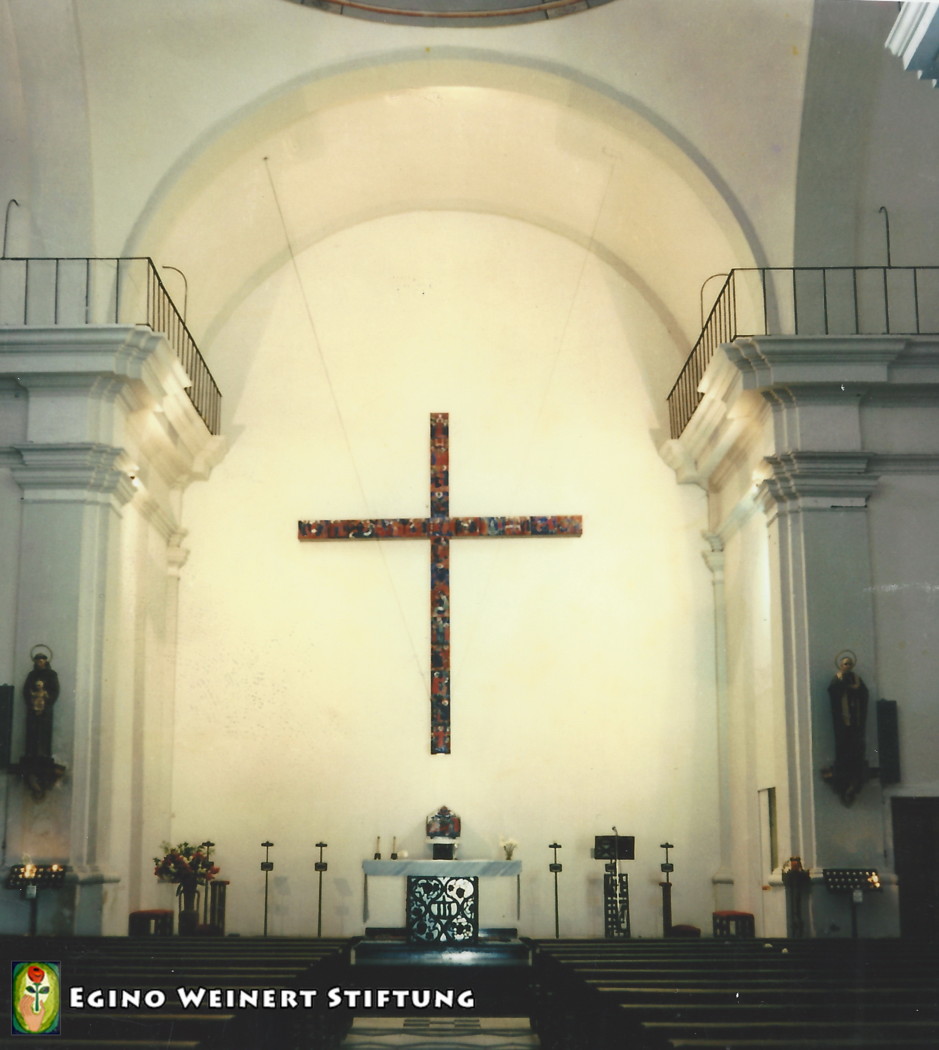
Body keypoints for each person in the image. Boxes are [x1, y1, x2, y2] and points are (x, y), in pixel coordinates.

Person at [827, 650, 869, 804]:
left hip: (855, 718)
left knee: (856, 745)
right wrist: (845, 687)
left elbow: (864, 693)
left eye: (850, 664)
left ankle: (855, 772)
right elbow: (833, 692)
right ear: (841, 665)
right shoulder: (837, 678)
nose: (848, 666)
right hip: (842, 720)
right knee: (843, 745)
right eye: (845, 664)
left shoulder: (856, 679)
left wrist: (857, 690)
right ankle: (844, 775)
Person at [22, 650, 59, 759]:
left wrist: (46, 702)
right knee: (32, 730)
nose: (39, 663)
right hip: (32, 707)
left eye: (41, 661)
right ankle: (31, 753)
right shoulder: (32, 675)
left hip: (45, 707)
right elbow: (26, 690)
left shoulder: (51, 674)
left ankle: (44, 753)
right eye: (37, 661)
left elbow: (55, 690)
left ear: (45, 661)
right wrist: (31, 701)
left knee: (44, 730)